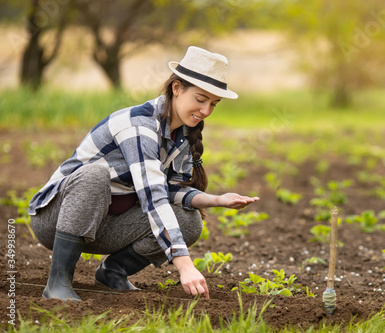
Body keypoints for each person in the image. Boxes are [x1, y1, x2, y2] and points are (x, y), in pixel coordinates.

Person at [28, 46, 259, 301]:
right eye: (200, 99)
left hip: (105, 223)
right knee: (94, 175)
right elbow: (153, 196)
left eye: (213, 104)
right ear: (177, 88)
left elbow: (170, 190)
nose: (206, 111)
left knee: (189, 221)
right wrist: (185, 266)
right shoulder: (139, 124)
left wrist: (218, 200)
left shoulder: (181, 134)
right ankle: (58, 283)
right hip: (58, 218)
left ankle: (113, 272)